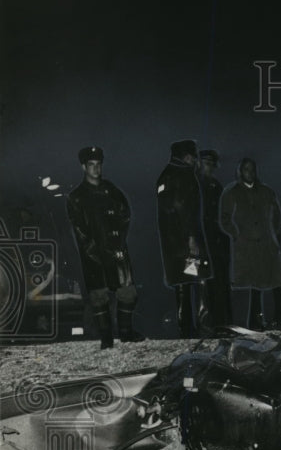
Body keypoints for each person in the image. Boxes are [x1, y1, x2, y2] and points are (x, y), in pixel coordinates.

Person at [66, 146, 144, 348]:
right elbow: (80, 230)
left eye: (98, 164)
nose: (95, 169)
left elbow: (125, 214)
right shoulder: (76, 197)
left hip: (117, 251)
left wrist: (119, 239)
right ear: (83, 166)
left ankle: (126, 333)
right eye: (91, 165)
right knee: (99, 295)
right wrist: (93, 251)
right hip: (93, 254)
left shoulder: (111, 189)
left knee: (128, 292)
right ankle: (106, 339)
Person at [219, 157, 281, 330]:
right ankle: (254, 324)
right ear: (240, 172)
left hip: (268, 246)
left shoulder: (266, 191)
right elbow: (224, 219)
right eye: (246, 169)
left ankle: (279, 320)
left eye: (252, 169)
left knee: (276, 283)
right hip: (246, 248)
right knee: (252, 287)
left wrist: (275, 238)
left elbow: (278, 218)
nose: (250, 173)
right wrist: (236, 234)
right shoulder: (231, 192)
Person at [156, 139, 212, 338]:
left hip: (172, 245)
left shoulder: (165, 175)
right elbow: (184, 208)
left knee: (182, 283)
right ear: (187, 156)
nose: (195, 160)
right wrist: (191, 238)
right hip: (187, 241)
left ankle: (186, 329)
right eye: (193, 155)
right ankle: (204, 328)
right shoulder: (184, 175)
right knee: (200, 279)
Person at [197, 149, 233, 329]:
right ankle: (204, 323)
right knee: (201, 283)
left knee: (219, 281)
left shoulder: (216, 186)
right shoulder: (193, 184)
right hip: (199, 239)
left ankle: (221, 322)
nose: (209, 167)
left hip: (216, 240)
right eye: (206, 163)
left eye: (212, 164)